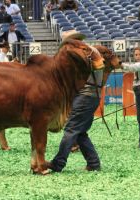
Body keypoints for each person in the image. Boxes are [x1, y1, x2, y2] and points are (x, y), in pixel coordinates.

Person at [47, 30, 105, 173]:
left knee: (71, 130)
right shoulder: (90, 51)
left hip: (84, 96)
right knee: (80, 132)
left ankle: (58, 163)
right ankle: (93, 163)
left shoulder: (80, 54)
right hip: (91, 96)